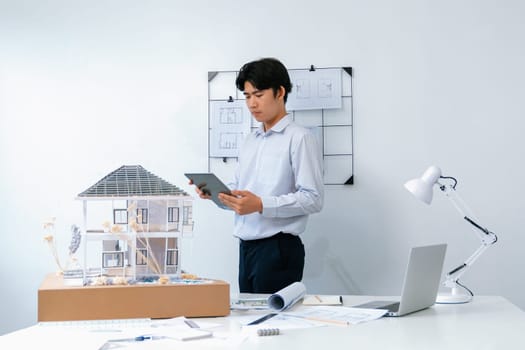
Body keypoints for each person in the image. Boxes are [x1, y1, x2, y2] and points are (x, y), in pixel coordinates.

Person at [193, 57, 324, 293]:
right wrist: (218, 194)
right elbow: (242, 191)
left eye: (259, 94)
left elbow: (313, 199)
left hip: (279, 249)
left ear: (280, 92)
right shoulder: (249, 141)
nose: (252, 103)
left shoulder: (300, 138)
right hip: (247, 248)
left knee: (276, 325)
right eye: (247, 95)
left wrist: (261, 204)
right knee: (249, 323)